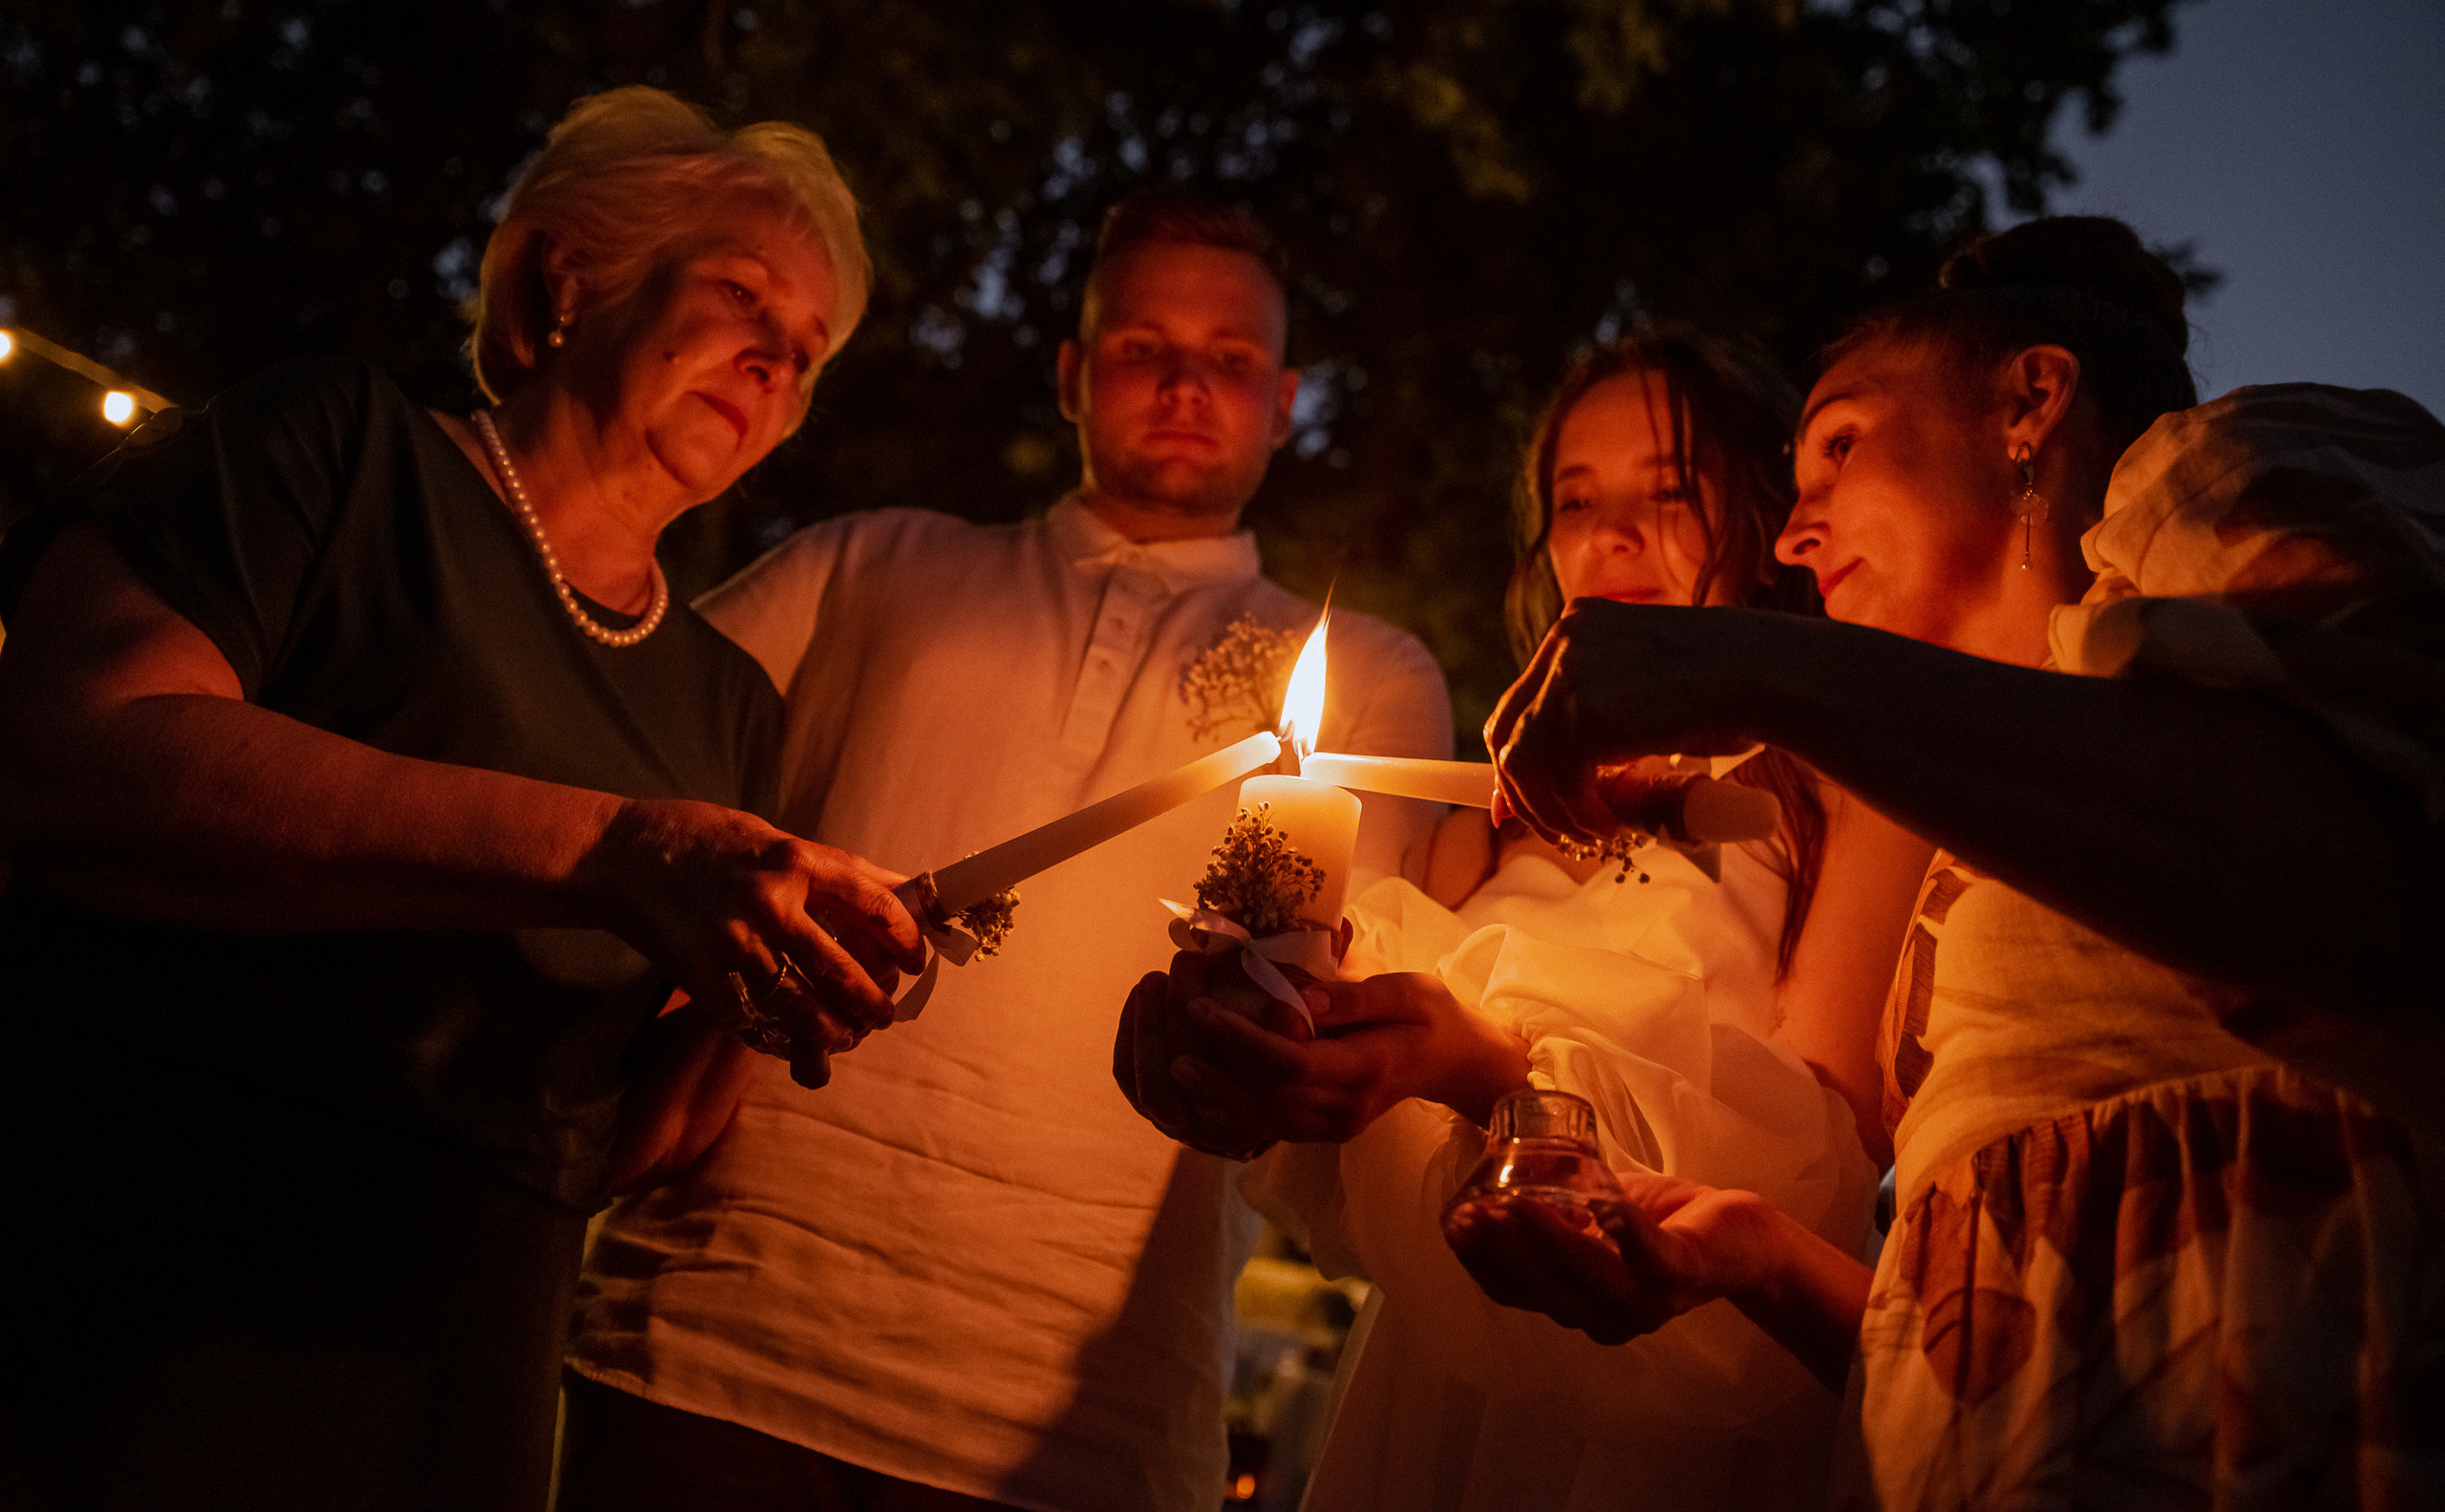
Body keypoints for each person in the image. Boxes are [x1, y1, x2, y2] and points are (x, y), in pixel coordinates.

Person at [0, 86, 921, 1512]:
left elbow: (620, 1134)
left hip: (450, 1378)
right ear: (568, 275)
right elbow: (74, 752)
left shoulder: (727, 704)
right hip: (133, 1281)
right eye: (742, 296)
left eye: (807, 356)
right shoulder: (343, 451)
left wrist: (779, 1005)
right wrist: (611, 848)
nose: (774, 365)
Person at [1470, 216, 2445, 1507]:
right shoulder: (1962, 847)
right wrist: (1756, 1257)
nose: (1790, 537)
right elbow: (2002, 1304)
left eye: (1839, 447)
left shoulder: (2204, 482)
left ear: (2031, 402)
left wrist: (1764, 666)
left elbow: (2382, 888)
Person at [560, 191, 1455, 1512]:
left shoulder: (1372, 681)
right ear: (1073, 374)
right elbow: (597, 753)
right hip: (706, 1341)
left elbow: (1345, 1024)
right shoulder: (873, 565)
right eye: (1145, 346)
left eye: (1230, 360)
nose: (1185, 385)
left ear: (1285, 401)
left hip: (1086, 1429)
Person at [1115, 327, 1929, 1510]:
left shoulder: (1836, 791)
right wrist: (1266, 1041)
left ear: (1762, 523)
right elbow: (1356, 1136)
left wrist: (1491, 1067)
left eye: (1671, 492)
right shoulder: (1480, 826)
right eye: (1573, 497)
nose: (1610, 537)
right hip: (1439, 1384)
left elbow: (1823, 1157)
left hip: (1687, 1415)